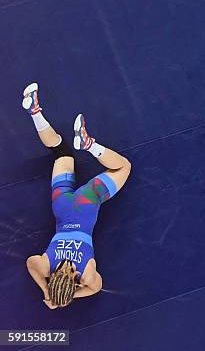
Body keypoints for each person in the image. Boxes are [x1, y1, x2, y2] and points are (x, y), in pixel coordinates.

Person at [22, 83, 131, 309]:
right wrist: (46, 290)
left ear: (72, 287)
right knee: (61, 152)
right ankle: (34, 111)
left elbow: (95, 288)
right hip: (62, 206)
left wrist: (69, 295)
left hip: (85, 205)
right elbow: (29, 264)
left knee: (123, 168)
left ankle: (89, 145)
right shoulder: (44, 266)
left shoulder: (86, 274)